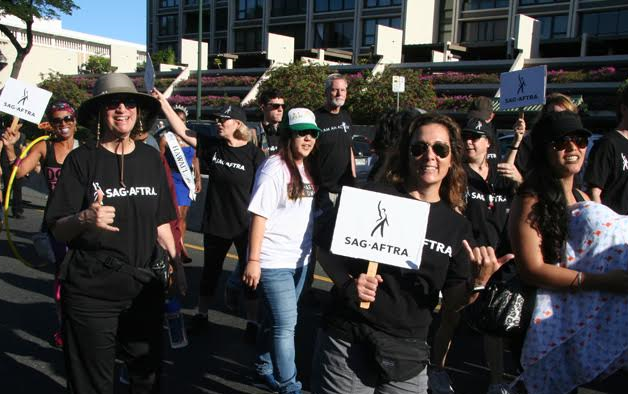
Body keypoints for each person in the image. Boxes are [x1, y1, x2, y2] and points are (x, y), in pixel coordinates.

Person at [310, 113, 511, 394]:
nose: (430, 156)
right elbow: (323, 247)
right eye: (419, 148)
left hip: (409, 352)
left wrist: (478, 282)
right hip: (350, 340)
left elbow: (454, 302)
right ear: (407, 154)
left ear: (452, 158)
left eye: (440, 149)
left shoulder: (456, 227)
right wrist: (347, 284)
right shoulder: (374, 196)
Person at [44, 73, 184, 394]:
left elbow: (162, 222)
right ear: (100, 112)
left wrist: (177, 266)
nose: (122, 109)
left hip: (142, 288)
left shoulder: (151, 157)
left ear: (137, 111)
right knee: (93, 383)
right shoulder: (82, 159)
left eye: (129, 102)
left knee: (146, 377)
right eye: (113, 104)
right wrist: (84, 217)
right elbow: (58, 228)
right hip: (92, 290)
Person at [509, 111, 628, 394]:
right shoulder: (530, 198)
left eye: (580, 140)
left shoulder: (582, 197)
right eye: (561, 142)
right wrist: (601, 282)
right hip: (543, 321)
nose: (573, 147)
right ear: (543, 150)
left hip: (578, 323)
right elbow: (531, 269)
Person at [429, 118, 517, 394]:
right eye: (466, 136)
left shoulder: (504, 175)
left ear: (488, 142)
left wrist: (520, 179)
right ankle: (437, 370)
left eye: (477, 136)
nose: (470, 141)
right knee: (451, 318)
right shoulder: (456, 175)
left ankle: (496, 381)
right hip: (465, 259)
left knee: (493, 324)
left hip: (497, 260)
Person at [242, 107, 320, 394]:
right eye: (302, 133)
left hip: (301, 259)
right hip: (274, 261)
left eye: (313, 133)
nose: (309, 139)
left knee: (276, 321)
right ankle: (290, 387)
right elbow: (258, 215)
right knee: (287, 325)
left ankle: (264, 365)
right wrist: (253, 260)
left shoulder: (304, 167)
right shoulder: (274, 167)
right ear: (288, 135)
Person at [1, 100, 80, 347]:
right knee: (62, 278)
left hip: (84, 222)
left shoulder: (86, 149)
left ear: (75, 121)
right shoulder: (45, 147)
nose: (63, 124)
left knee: (84, 279)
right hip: (56, 222)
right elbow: (20, 171)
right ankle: (64, 328)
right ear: (51, 124)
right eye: (57, 120)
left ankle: (86, 326)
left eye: (68, 118)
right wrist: (11, 149)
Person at [191, 104, 264, 331]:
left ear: (238, 124)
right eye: (218, 119)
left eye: (224, 120)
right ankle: (202, 315)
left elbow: (266, 188)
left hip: (245, 226)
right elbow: (183, 131)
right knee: (210, 273)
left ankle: (252, 321)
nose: (218, 123)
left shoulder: (255, 154)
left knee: (249, 277)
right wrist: (163, 104)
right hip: (216, 223)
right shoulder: (215, 148)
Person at [151, 93, 202, 263]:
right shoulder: (166, 139)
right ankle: (177, 246)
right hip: (172, 178)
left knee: (183, 216)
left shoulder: (191, 137)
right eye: (176, 119)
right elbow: (160, 160)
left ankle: (181, 242)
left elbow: (196, 159)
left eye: (182, 119)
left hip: (186, 180)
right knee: (176, 215)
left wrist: (198, 179)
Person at [314, 73, 355, 208]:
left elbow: (350, 149)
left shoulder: (346, 116)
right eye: (335, 90)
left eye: (343, 90)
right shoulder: (315, 118)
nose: (339, 94)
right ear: (326, 92)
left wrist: (354, 180)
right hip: (322, 192)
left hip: (346, 191)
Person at [584, 87, 628, 214]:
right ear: (624, 109)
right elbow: (594, 192)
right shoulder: (608, 144)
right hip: (614, 228)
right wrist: (603, 225)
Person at [0, 117, 26, 219]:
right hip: (5, 162)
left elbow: (23, 149)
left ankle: (17, 210)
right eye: (12, 122)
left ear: (21, 125)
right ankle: (2, 207)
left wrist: (25, 164)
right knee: (8, 185)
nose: (14, 124)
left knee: (18, 186)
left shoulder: (22, 136)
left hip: (17, 162)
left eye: (18, 122)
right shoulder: (4, 133)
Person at [255, 88, 285, 156]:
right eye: (275, 106)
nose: (280, 109)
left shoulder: (287, 135)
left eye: (283, 106)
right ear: (263, 108)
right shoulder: (254, 135)